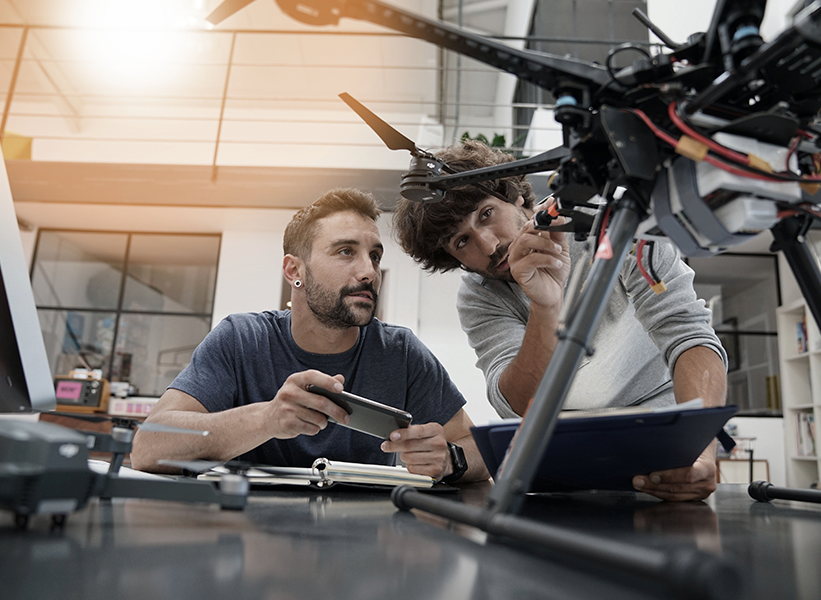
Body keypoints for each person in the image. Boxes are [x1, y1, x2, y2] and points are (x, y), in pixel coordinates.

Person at [393, 141, 727, 501]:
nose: (488, 246)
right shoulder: (480, 296)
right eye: (462, 242)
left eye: (487, 215)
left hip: (661, 431)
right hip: (564, 444)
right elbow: (516, 403)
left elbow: (689, 334)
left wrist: (700, 448)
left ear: (517, 197)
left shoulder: (616, 224)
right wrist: (545, 305)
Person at [131, 188, 488, 484]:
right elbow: (147, 448)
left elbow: (479, 453)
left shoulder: (401, 352)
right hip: (251, 538)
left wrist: (450, 459)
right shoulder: (241, 339)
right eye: (346, 251)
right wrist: (266, 419)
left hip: (361, 543)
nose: (369, 271)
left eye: (375, 256)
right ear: (294, 270)